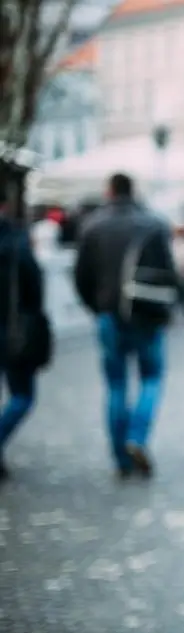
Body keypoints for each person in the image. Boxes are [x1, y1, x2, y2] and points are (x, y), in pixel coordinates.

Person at [75, 173, 176, 479]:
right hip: (147, 313)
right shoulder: (154, 223)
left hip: (109, 315)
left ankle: (121, 458)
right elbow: (170, 272)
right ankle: (137, 436)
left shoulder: (93, 226)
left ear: (109, 191)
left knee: (116, 385)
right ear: (133, 191)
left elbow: (81, 277)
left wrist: (98, 307)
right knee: (151, 378)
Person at [0, 183, 51, 482]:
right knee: (22, 395)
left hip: (11, 327)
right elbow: (35, 286)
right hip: (14, 329)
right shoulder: (16, 239)